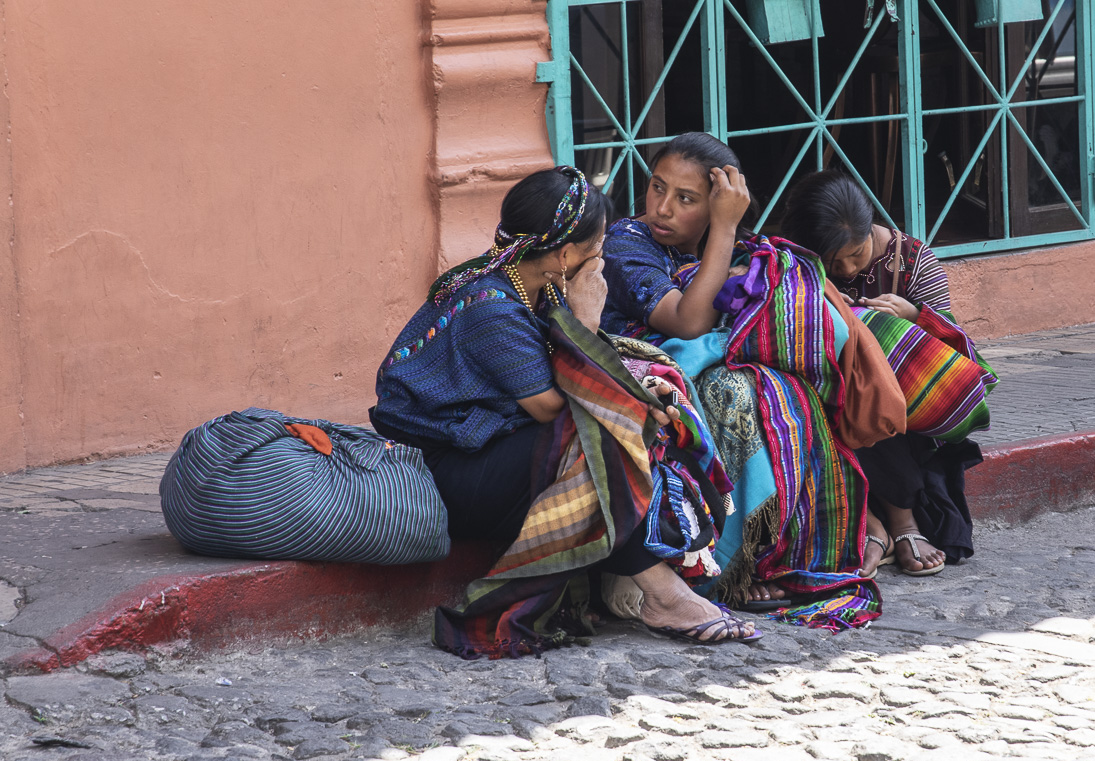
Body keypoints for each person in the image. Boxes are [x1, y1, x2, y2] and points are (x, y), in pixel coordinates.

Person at [371, 165, 758, 656]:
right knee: (593, 443)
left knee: (643, 420)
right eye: (596, 244)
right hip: (442, 470)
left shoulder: (538, 284)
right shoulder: (489, 306)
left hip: (494, 446)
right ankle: (664, 596)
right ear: (565, 253)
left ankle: (650, 585)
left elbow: (569, 371)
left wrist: (642, 391)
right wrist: (586, 319)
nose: (601, 253)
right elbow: (550, 405)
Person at [601, 133, 905, 630]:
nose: (662, 208)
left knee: (787, 391)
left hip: (703, 364)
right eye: (657, 187)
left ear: (721, 202)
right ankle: (728, 566)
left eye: (685, 198)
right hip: (642, 375)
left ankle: (777, 555)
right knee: (734, 394)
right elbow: (687, 322)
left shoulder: (741, 246)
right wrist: (723, 227)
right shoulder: (627, 242)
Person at [780, 170, 995, 576]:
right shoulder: (799, 262)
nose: (846, 269)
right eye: (833, 262)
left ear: (870, 229)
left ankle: (898, 523)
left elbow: (947, 353)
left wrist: (915, 316)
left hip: (902, 418)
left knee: (871, 385)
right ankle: (879, 525)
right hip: (825, 401)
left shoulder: (915, 262)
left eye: (856, 254)